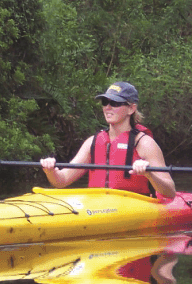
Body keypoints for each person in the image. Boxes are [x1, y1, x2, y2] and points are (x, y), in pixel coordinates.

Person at [40, 81, 176, 199]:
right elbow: (61, 181)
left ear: (131, 108)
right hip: (96, 206)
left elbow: (170, 191)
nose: (107, 107)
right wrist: (50, 171)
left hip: (135, 206)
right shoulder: (92, 142)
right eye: (105, 102)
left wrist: (149, 174)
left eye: (115, 103)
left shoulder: (144, 143)